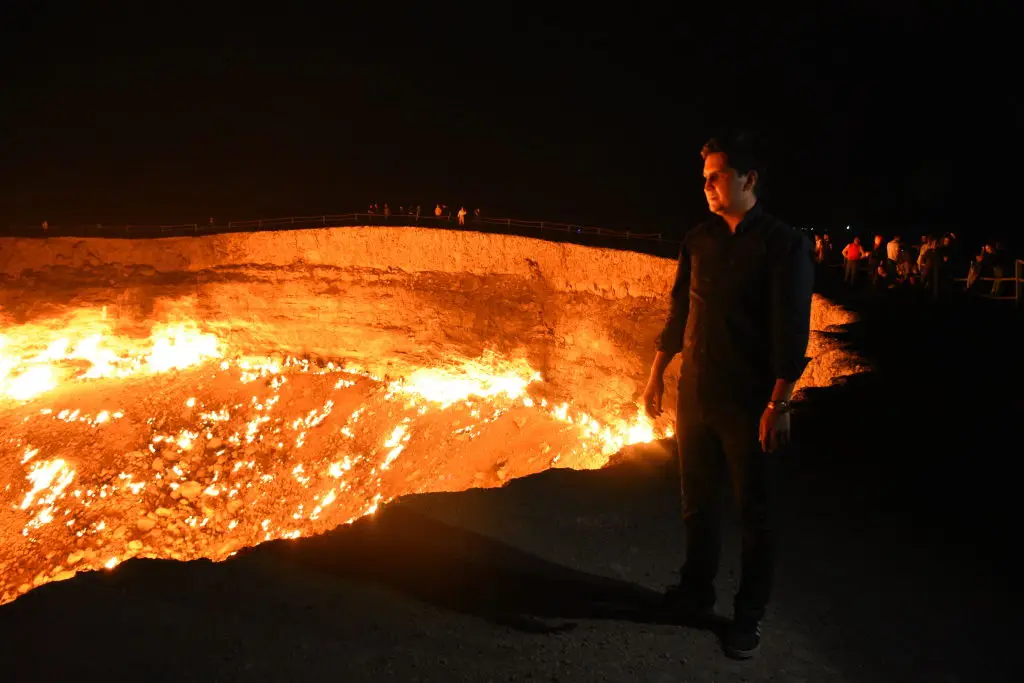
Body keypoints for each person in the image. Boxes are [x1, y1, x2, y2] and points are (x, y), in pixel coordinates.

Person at [642, 131, 813, 660]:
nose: (707, 186)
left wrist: (778, 403)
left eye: (716, 176)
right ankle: (696, 591)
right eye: (704, 179)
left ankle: (747, 615)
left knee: (755, 513)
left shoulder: (783, 244)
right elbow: (679, 312)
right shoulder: (698, 240)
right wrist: (656, 374)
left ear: (748, 179)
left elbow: (791, 328)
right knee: (697, 502)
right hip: (696, 394)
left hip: (749, 400)